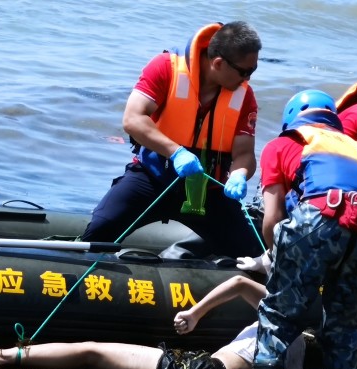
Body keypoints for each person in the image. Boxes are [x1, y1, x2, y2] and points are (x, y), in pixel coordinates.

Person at [251, 89, 357, 369]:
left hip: (324, 215)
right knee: (343, 317)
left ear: (292, 119)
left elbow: (273, 215)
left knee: (278, 312)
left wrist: (273, 258)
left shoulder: (285, 143)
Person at [80, 21, 264, 258]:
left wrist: (239, 174)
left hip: (209, 192)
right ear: (218, 63)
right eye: (245, 71)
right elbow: (133, 119)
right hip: (152, 178)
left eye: (253, 71)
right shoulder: (165, 68)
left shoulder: (244, 96)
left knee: (251, 253)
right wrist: (176, 152)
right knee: (99, 232)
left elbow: (245, 153)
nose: (248, 78)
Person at [0, 275, 306, 369]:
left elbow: (240, 283)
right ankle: (6, 356)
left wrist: (195, 313)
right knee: (93, 360)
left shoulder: (284, 317)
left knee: (91, 352)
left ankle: (1, 356)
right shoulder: (294, 339)